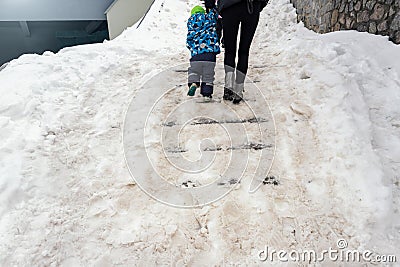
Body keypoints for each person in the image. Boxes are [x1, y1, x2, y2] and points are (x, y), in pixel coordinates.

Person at [204, 0, 267, 104]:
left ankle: (228, 85)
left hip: (229, 7)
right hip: (251, 7)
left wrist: (210, 5)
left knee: (229, 50)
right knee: (244, 50)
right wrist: (260, 3)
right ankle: (238, 89)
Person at [186, 5, 221, 99]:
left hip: (196, 55)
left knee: (194, 70)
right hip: (210, 55)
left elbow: (188, 41)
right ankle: (206, 94)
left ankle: (194, 82)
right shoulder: (209, 18)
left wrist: (192, 49)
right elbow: (215, 13)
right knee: (208, 75)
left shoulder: (191, 23)